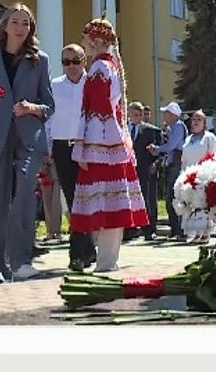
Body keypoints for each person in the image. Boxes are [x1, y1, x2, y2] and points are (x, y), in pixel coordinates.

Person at [0, 4, 54, 283]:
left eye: (26, 23)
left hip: (29, 138)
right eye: (15, 22)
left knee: (25, 193)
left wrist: (31, 107)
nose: (20, 27)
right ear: (5, 26)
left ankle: (20, 260)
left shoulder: (39, 61)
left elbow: (49, 105)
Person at [71, 18, 148, 271]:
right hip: (111, 139)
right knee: (110, 201)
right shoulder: (109, 67)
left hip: (102, 142)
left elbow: (96, 108)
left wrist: (83, 144)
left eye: (86, 38)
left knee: (103, 200)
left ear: (97, 41)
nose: (83, 43)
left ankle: (106, 261)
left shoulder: (99, 69)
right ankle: (108, 259)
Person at [46, 44, 94, 270]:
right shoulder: (54, 86)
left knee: (88, 200)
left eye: (76, 60)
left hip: (89, 147)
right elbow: (48, 119)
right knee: (73, 200)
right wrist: (46, 147)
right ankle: (78, 253)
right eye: (66, 62)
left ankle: (88, 249)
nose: (71, 66)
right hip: (62, 148)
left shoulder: (93, 83)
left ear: (84, 60)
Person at [149, 102, 188, 241]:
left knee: (173, 198)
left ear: (173, 115)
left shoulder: (177, 127)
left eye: (166, 113)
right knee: (170, 198)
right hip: (172, 165)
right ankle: (175, 229)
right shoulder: (174, 128)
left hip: (176, 165)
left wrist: (157, 148)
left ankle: (178, 229)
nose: (164, 115)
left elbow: (171, 146)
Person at [180, 109, 216, 243]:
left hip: (204, 175)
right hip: (189, 175)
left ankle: (205, 233)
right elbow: (184, 159)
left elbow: (214, 156)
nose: (196, 122)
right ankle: (195, 233)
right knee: (192, 204)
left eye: (199, 119)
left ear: (204, 123)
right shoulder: (188, 139)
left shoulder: (209, 138)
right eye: (194, 119)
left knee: (203, 204)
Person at [128, 101, 162, 241]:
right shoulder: (122, 129)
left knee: (147, 199)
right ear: (129, 114)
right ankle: (129, 230)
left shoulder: (151, 130)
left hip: (145, 168)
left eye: (139, 114)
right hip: (128, 170)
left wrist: (155, 163)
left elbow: (158, 150)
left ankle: (149, 229)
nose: (136, 117)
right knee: (128, 199)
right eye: (134, 114)